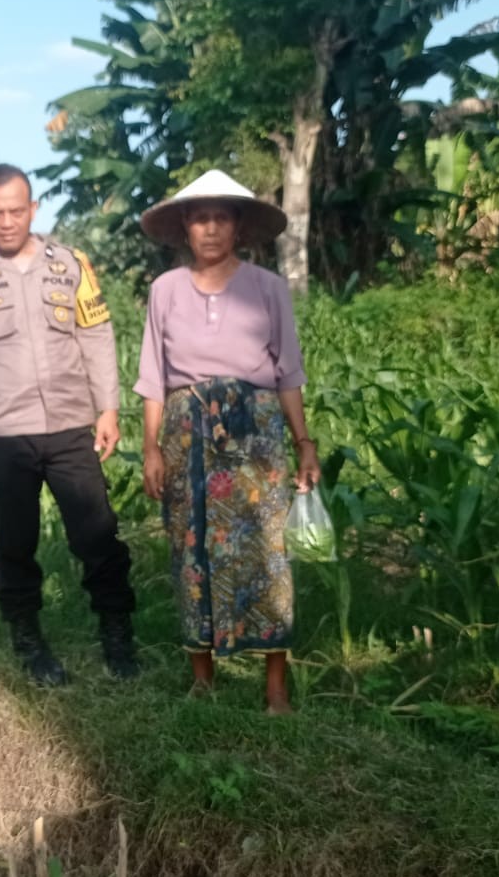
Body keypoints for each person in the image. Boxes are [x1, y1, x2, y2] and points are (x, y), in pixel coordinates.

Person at [0, 163, 139, 687]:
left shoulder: (71, 265)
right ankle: (28, 640)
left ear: (33, 209)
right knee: (13, 542)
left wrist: (107, 408)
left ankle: (118, 637)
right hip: (2, 433)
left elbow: (96, 335)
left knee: (98, 534)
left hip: (70, 427)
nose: (6, 221)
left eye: (16, 210)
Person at [132, 169, 319, 714]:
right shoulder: (164, 290)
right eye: (199, 218)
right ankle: (203, 679)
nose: (210, 229)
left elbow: (288, 372)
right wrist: (150, 448)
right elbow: (153, 377)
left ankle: (276, 687)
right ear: (185, 227)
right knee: (191, 552)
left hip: (256, 437)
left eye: (221, 217)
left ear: (238, 226)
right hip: (186, 437)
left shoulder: (268, 289)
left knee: (267, 552)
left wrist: (304, 442)